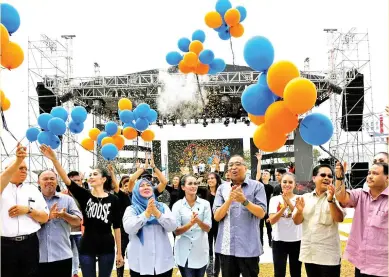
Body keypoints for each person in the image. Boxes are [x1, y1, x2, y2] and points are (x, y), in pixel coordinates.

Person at [40, 144, 123, 277]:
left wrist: (119, 252)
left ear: (103, 179)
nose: (91, 176)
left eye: (95, 174)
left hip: (107, 245)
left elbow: (117, 227)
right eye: (89, 175)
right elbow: (67, 181)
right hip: (87, 245)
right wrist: (54, 160)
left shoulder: (114, 199)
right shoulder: (85, 196)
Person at [213, 155, 267, 277]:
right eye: (230, 165)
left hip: (249, 247)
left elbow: (261, 213)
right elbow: (217, 216)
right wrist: (229, 200)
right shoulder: (222, 188)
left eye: (237, 164)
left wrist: (244, 201)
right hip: (227, 248)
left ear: (245, 168)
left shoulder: (257, 186)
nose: (233, 168)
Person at [1, 143, 49, 277]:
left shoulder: (32, 190)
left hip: (29, 243)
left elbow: (45, 217)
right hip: (4, 245)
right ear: (7, 169)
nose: (24, 171)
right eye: (20, 168)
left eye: (26, 169)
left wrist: (28, 210)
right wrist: (18, 160)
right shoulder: (2, 188)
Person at [336, 162, 388, 277]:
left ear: (387, 177)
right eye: (369, 173)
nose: (370, 176)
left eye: (375, 173)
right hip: (361, 263)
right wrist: (339, 177)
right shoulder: (360, 194)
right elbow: (341, 197)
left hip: (383, 267)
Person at [292, 164, 345, 277]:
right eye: (323, 175)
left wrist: (331, 201)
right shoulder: (305, 198)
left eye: (330, 176)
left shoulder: (336, 197)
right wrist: (299, 211)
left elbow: (339, 218)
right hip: (309, 254)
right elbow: (296, 221)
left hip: (329, 256)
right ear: (314, 178)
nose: (327, 178)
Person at [123, 178, 176, 277]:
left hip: (163, 264)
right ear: (135, 191)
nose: (146, 187)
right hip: (139, 264)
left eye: (148, 185)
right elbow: (129, 228)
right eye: (141, 186)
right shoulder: (131, 209)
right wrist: (146, 214)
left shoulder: (162, 207)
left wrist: (158, 214)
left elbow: (172, 226)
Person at [37, 169, 83, 277]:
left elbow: (78, 221)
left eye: (52, 178)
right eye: (45, 179)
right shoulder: (33, 200)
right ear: (38, 182)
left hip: (62, 256)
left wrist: (64, 215)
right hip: (38, 256)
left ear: (57, 181)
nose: (49, 181)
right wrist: (48, 218)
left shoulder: (67, 200)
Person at [172, 175, 212, 277]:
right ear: (183, 187)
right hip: (184, 252)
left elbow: (208, 228)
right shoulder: (177, 205)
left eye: (195, 183)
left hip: (200, 250)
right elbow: (176, 231)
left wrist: (198, 221)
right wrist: (191, 223)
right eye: (190, 184)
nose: (193, 186)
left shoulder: (205, 204)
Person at [268, 173, 302, 277]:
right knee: (279, 273)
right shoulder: (274, 199)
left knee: (296, 272)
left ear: (295, 184)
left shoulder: (299, 199)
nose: (287, 184)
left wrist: (289, 202)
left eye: (290, 182)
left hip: (296, 240)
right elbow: (272, 221)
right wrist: (282, 208)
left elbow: (300, 219)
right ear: (280, 183)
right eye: (285, 182)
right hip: (279, 241)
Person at [108, 165, 131, 277]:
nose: (127, 187)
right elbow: (116, 186)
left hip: (134, 230)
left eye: (129, 185)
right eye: (125, 185)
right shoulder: (121, 195)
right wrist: (112, 173)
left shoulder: (135, 196)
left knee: (133, 254)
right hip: (122, 230)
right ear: (122, 186)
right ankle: (119, 275)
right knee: (120, 253)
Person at [65, 171, 84, 277]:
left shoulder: (84, 195)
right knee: (69, 253)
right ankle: (73, 272)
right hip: (66, 230)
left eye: (78, 180)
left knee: (82, 253)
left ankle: (76, 273)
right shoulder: (62, 195)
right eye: (74, 181)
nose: (77, 182)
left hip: (80, 230)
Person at [205, 172, 222, 277]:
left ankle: (216, 271)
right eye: (209, 178)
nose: (210, 180)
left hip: (219, 224)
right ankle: (209, 272)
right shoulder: (203, 193)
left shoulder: (221, 194)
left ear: (217, 180)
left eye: (212, 178)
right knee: (208, 249)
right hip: (207, 225)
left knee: (218, 249)